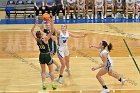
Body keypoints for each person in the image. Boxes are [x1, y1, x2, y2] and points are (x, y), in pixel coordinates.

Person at [31, 19, 56, 90]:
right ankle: (53, 84)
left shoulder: (37, 39)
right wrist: (52, 23)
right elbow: (52, 31)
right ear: (41, 35)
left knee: (43, 71)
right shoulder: (45, 39)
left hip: (41, 55)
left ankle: (44, 84)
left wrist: (35, 24)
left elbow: (31, 31)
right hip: (47, 55)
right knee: (51, 71)